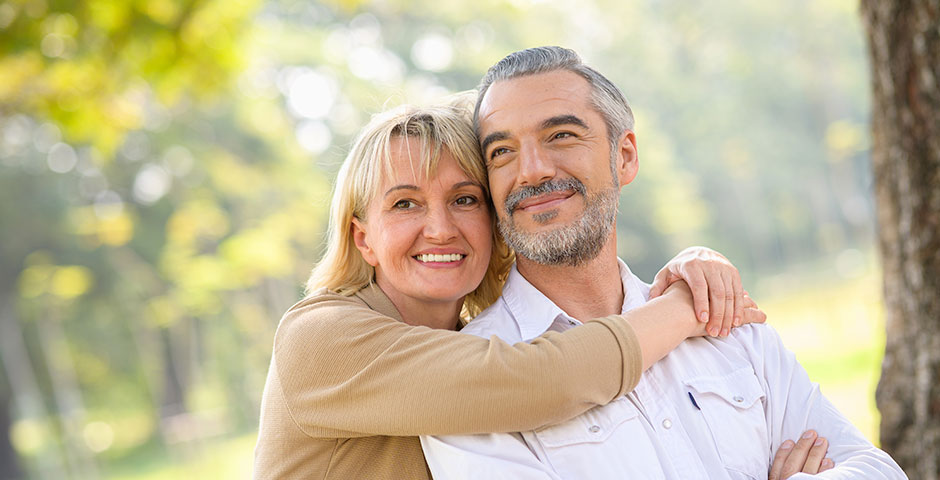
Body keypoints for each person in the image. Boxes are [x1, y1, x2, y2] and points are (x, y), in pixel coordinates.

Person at [421, 46, 906, 480]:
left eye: (561, 136)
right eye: (502, 151)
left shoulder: (726, 322)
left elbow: (876, 471)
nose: (532, 170)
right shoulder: (473, 386)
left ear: (625, 157)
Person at [253, 97, 766, 479]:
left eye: (466, 199)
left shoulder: (475, 337)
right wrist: (684, 306)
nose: (439, 228)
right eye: (405, 204)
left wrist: (693, 264)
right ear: (362, 237)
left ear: (497, 220)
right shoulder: (320, 337)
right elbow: (541, 379)